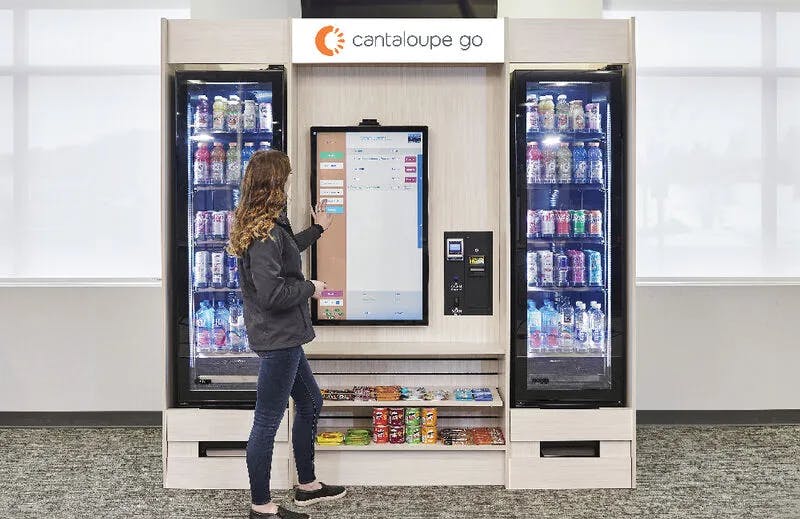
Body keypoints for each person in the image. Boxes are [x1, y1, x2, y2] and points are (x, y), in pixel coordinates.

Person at [227, 150, 345, 519]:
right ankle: (261, 507)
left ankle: (307, 486)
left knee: (311, 403)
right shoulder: (264, 235)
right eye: (287, 180)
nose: (290, 186)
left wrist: (319, 228)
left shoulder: (270, 226)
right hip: (279, 339)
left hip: (287, 337)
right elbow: (273, 294)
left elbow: (286, 253)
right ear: (276, 184)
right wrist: (311, 287)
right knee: (266, 422)